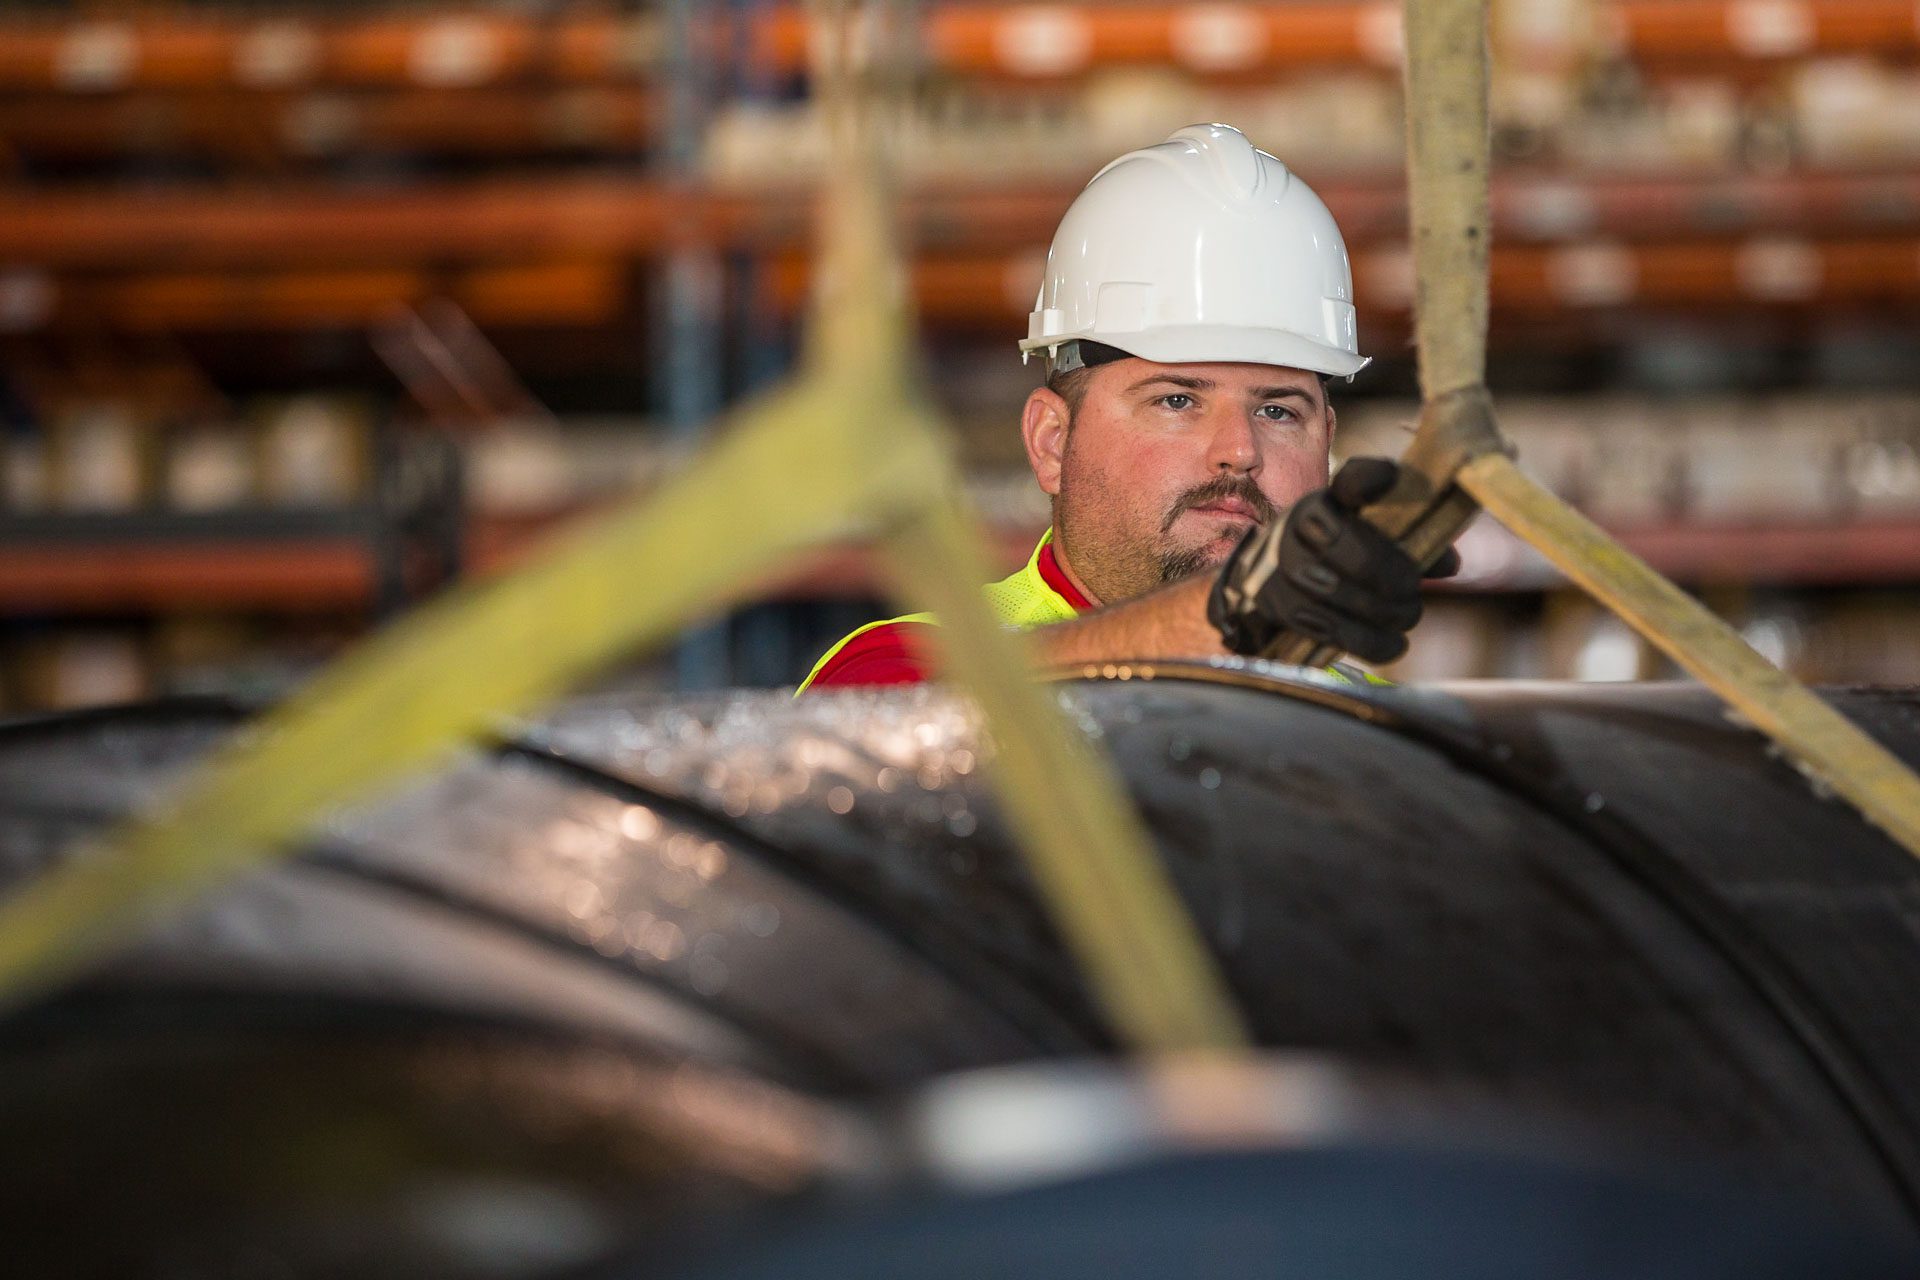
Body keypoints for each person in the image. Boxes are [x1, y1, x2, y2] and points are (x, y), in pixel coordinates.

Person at [798, 123, 1455, 693]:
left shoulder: (1362, 712)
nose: (1240, 449)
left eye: (1279, 412)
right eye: (1177, 400)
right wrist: (1228, 618)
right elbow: (890, 725)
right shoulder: (900, 664)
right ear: (1054, 442)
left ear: (1328, 445)